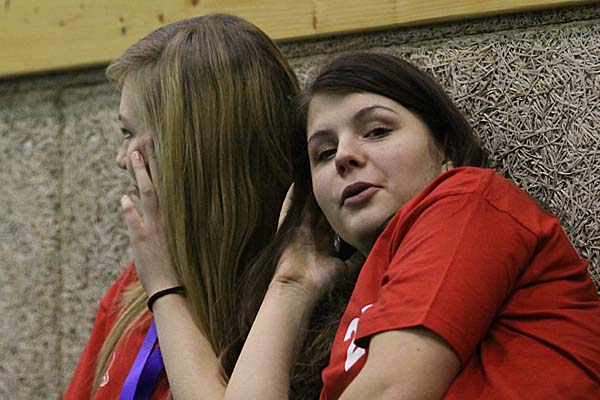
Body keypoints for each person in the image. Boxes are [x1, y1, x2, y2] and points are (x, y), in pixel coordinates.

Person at [224, 52, 600, 399]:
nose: (344, 157)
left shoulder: (466, 199)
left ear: (445, 148)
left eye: (377, 131)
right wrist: (292, 284)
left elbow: (392, 391)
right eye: (324, 152)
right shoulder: (364, 297)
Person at [64, 14, 302, 399]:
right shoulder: (134, 288)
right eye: (123, 133)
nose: (122, 159)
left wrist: (165, 290)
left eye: (130, 133)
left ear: (193, 150)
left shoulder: (295, 295)